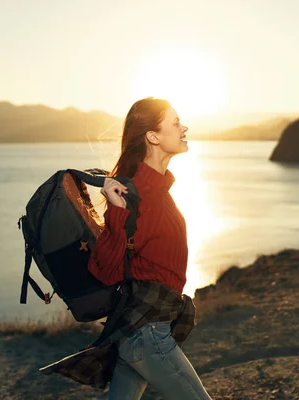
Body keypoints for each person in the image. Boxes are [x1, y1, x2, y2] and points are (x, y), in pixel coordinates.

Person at [88, 97, 212, 400]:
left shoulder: (157, 189)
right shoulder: (137, 193)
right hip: (147, 334)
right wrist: (115, 212)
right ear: (153, 137)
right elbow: (104, 270)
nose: (184, 127)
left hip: (142, 330)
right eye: (175, 122)